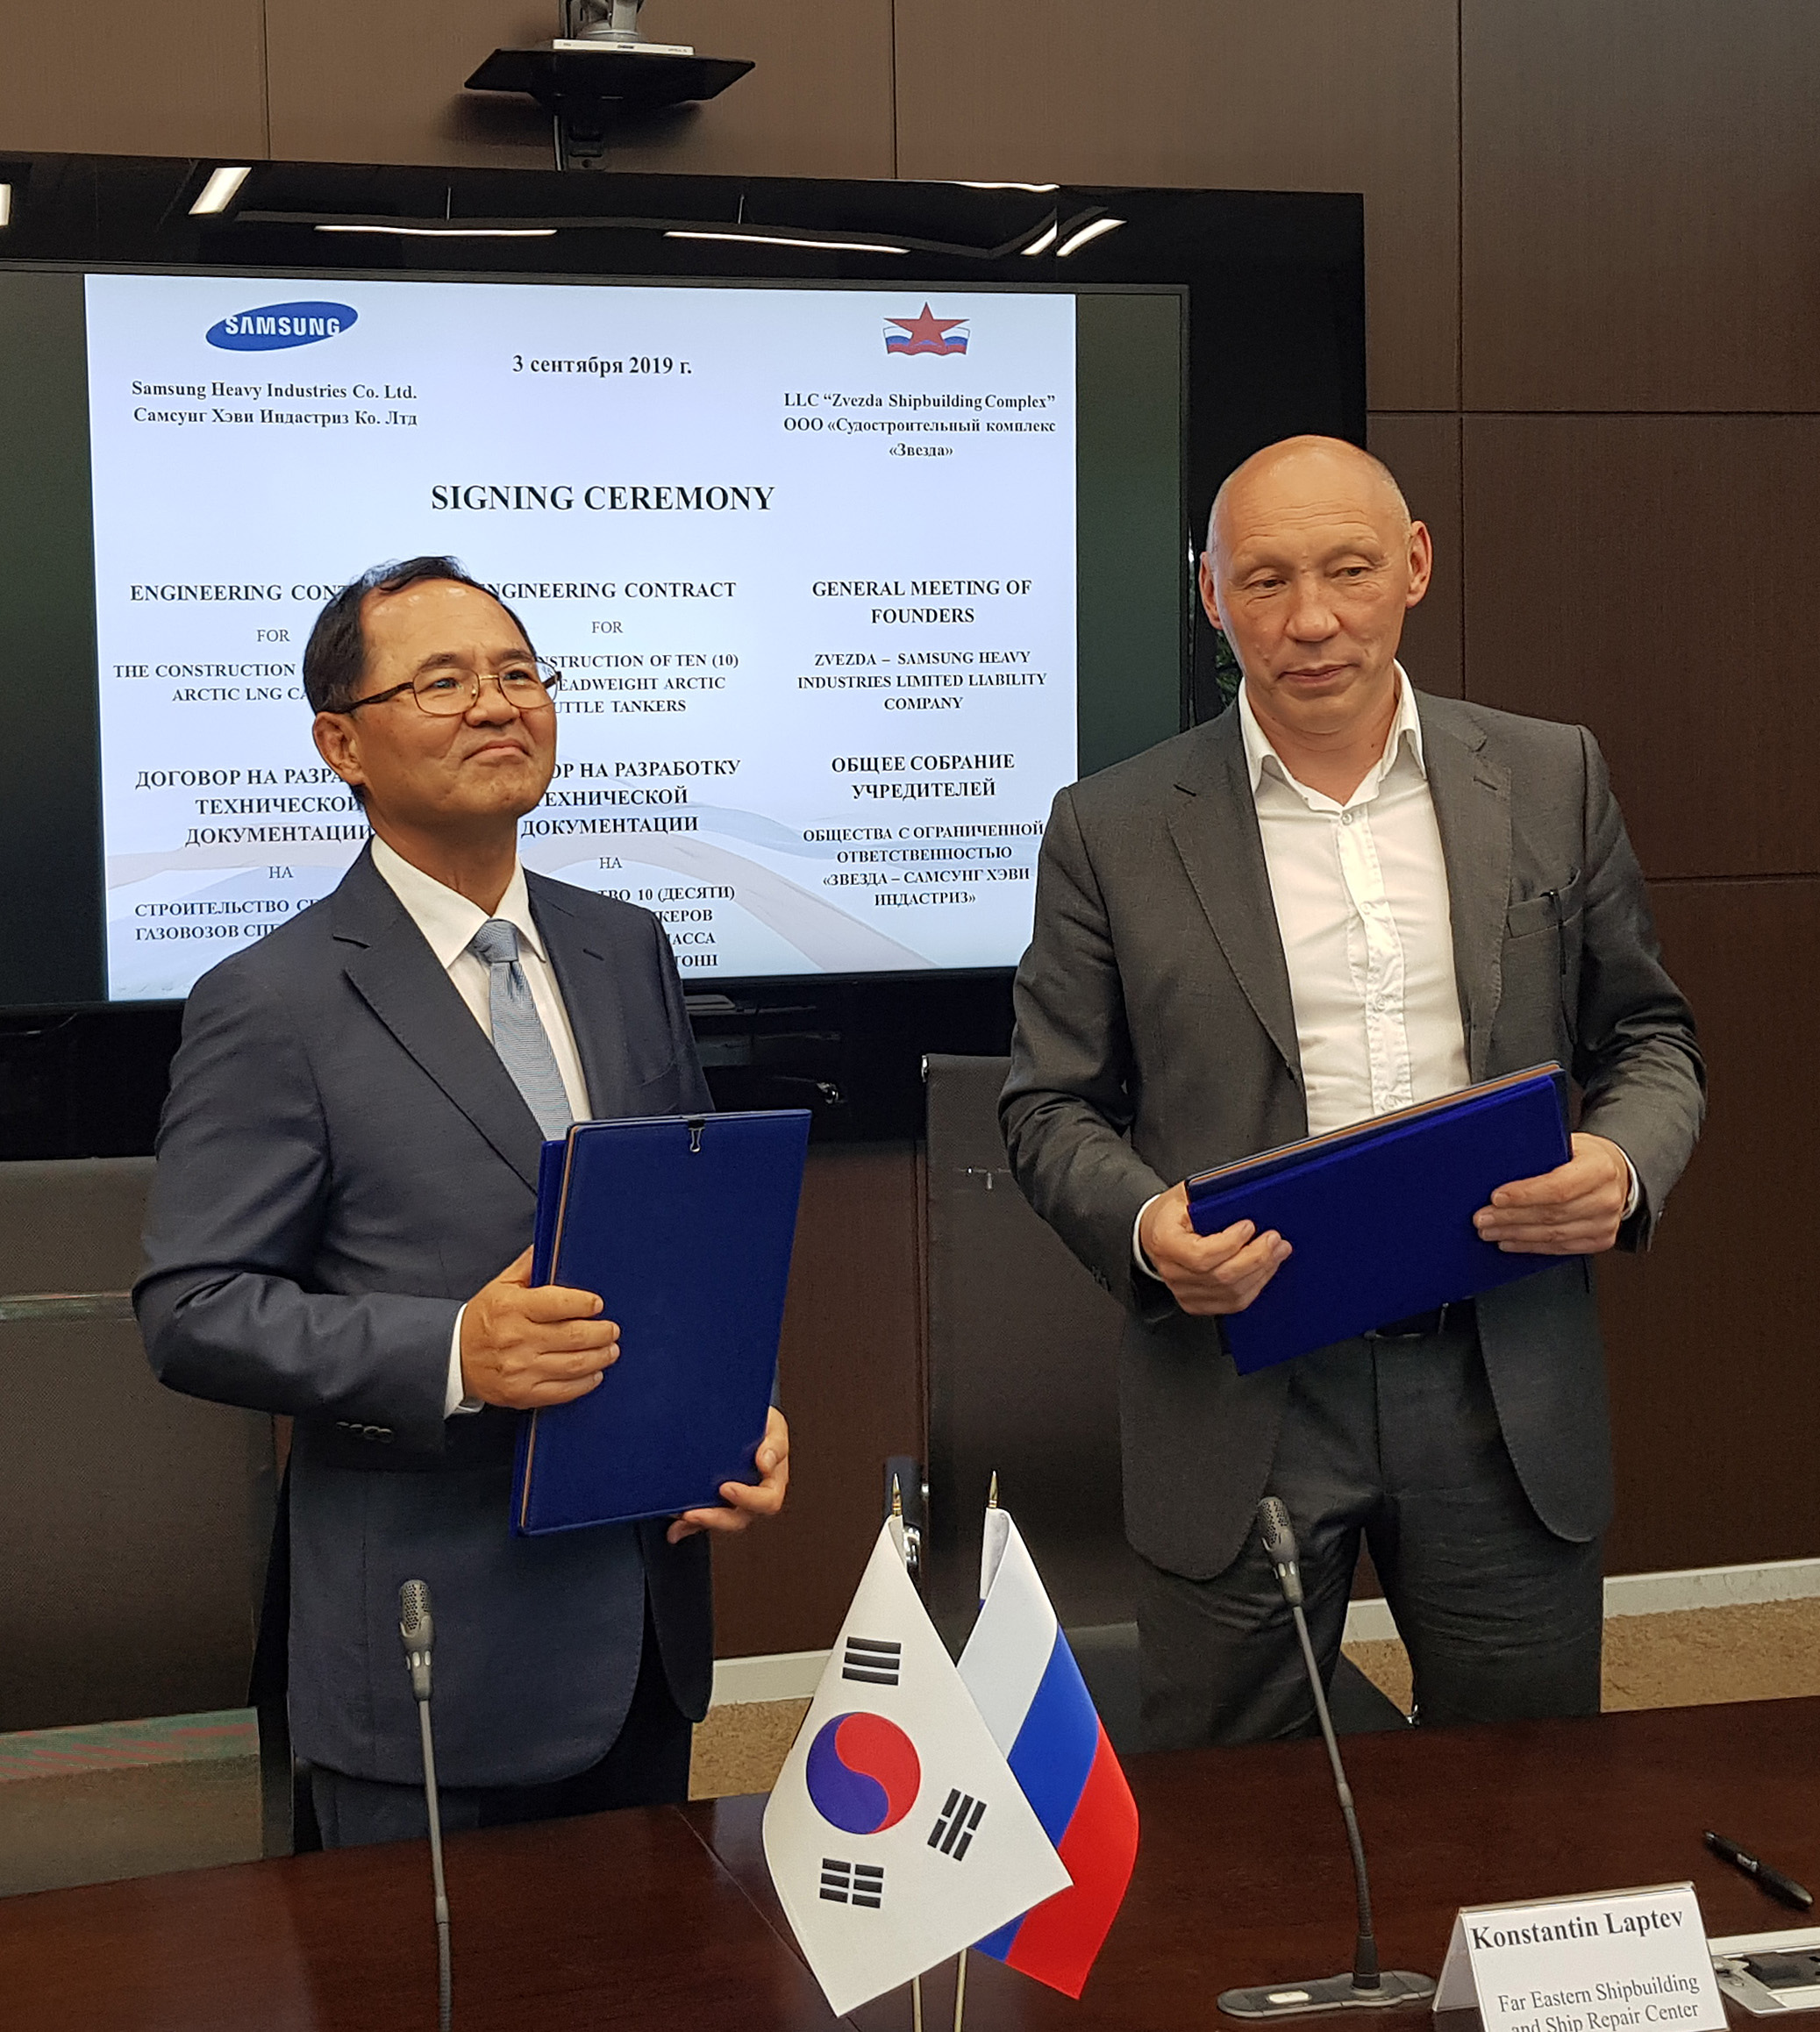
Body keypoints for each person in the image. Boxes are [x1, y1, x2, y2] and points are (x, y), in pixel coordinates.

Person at [1000, 438, 1703, 1746]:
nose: (1311, 619)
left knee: (1527, 1796)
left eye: (1349, 570)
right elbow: (1048, 1106)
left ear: (1416, 566)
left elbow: (1651, 1036)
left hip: (1499, 1373)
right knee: (1240, 1815)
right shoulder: (1111, 826)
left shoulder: (1552, 777)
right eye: (1266, 579)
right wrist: (1149, 1230)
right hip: (1240, 1379)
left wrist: (1620, 1165)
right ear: (1211, 594)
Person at [136, 556, 789, 1844]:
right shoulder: (271, 1000)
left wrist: (735, 1409)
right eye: (442, 681)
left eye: (517, 672)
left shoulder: (624, 946)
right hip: (428, 1661)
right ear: (342, 744)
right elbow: (192, 1307)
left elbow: (687, 1234)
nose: (497, 704)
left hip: (647, 1629)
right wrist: (453, 1353)